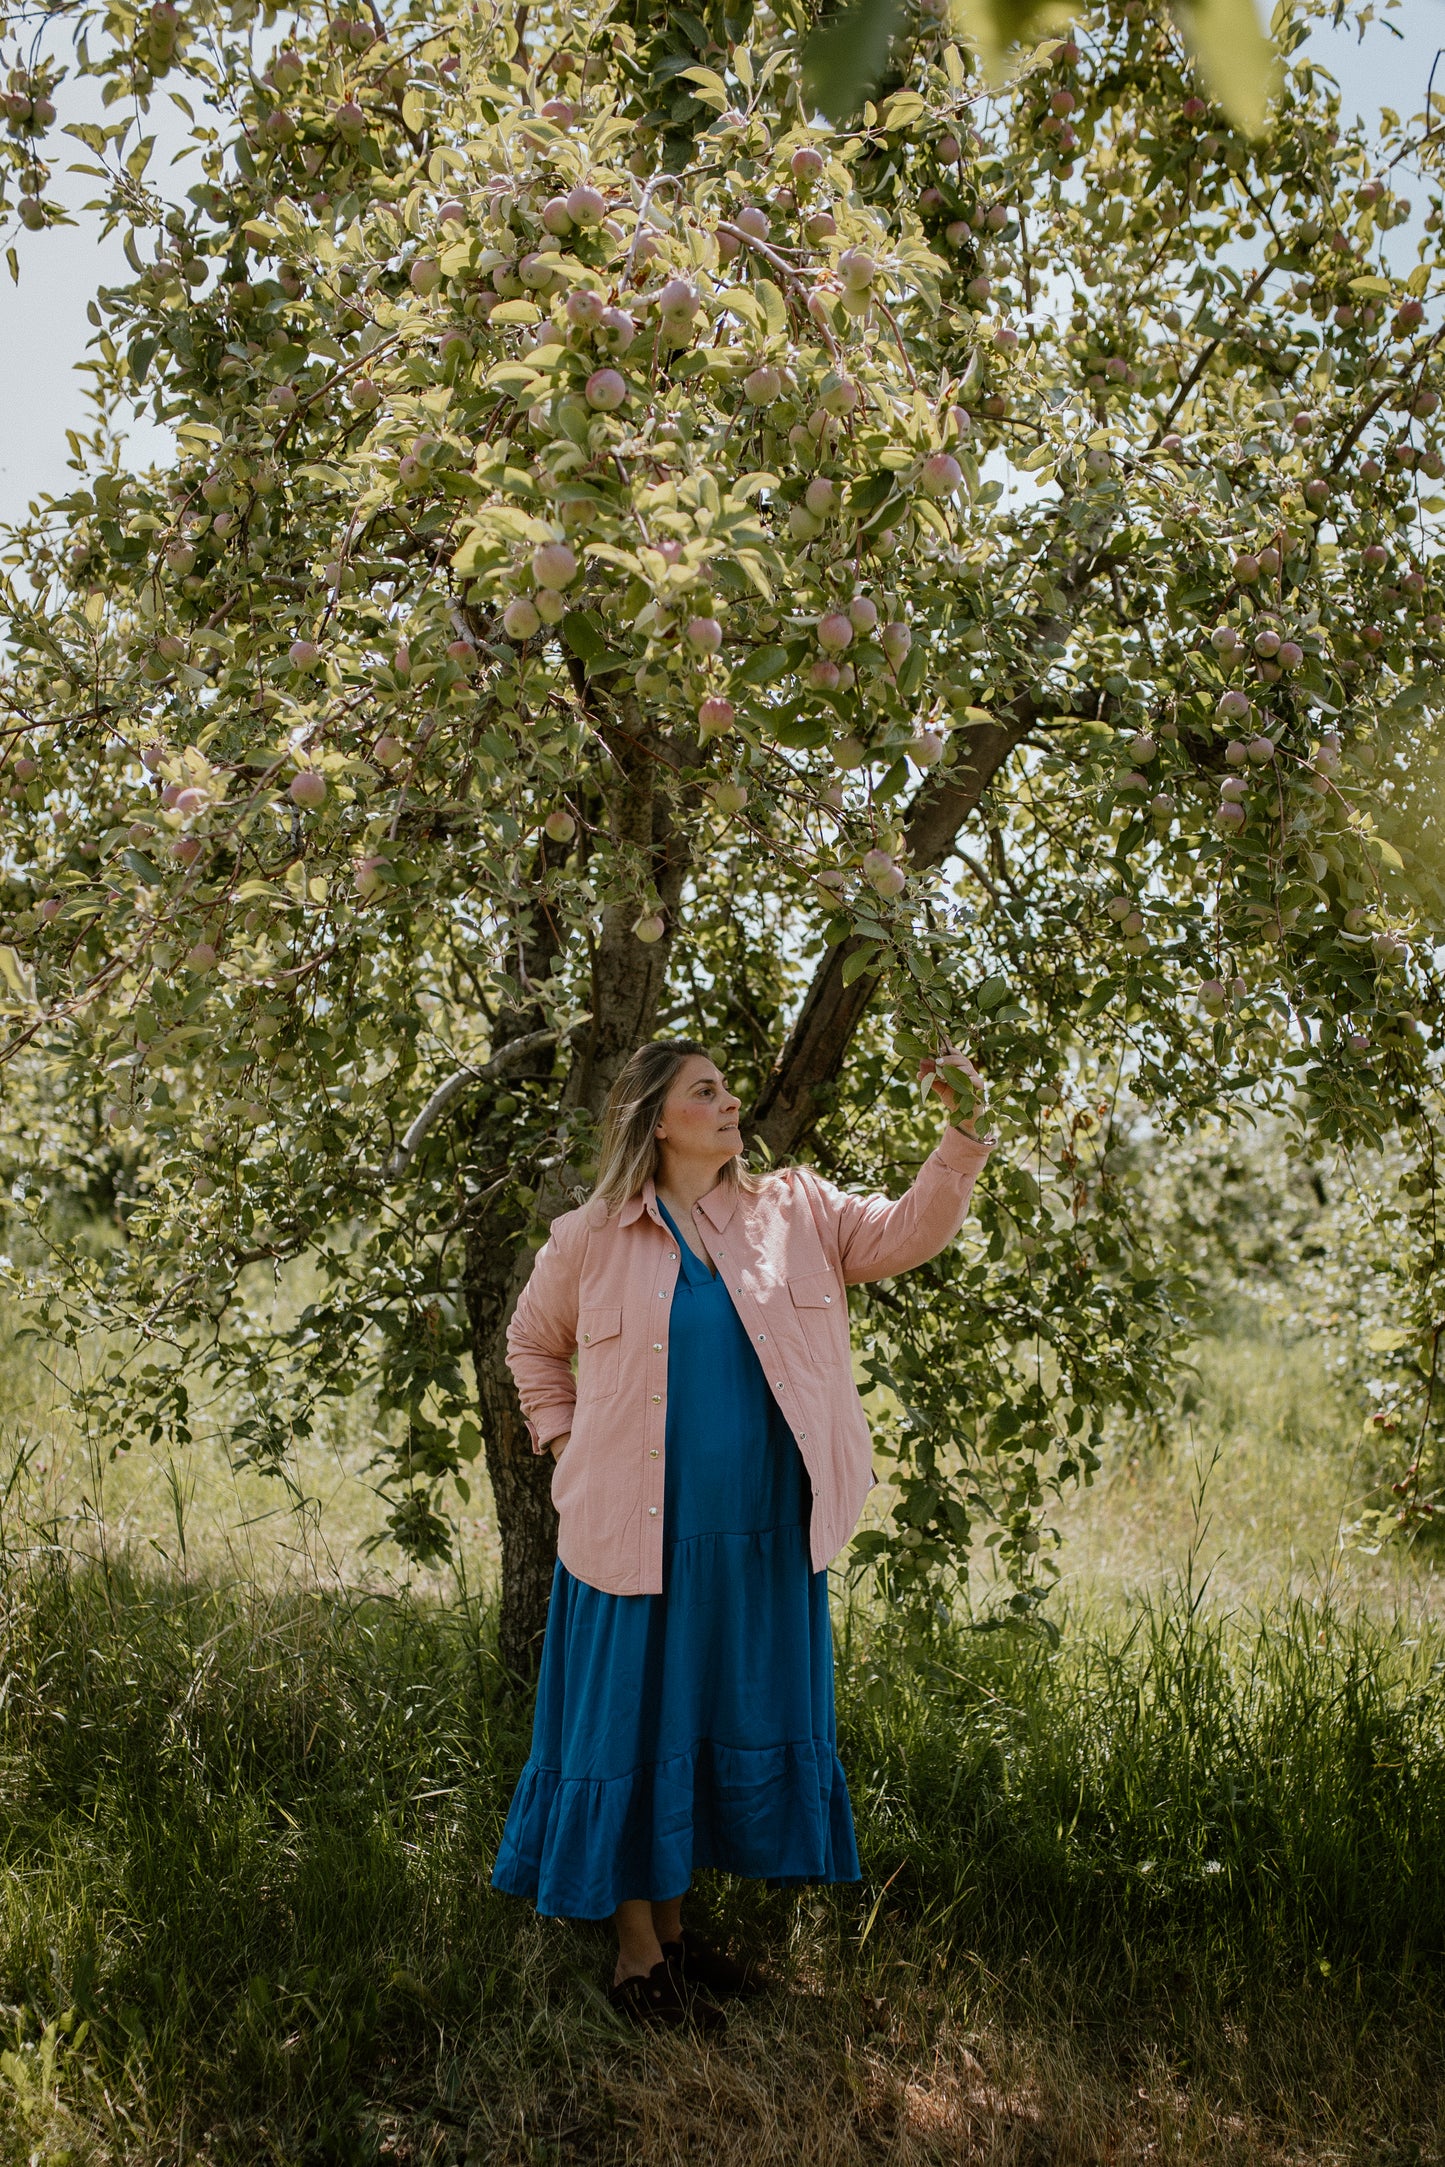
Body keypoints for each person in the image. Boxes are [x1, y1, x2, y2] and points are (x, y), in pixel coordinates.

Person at [491, 1038, 994, 2031]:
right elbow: (529, 1345)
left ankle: (673, 1940)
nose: (729, 1103)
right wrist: (562, 1443)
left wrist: (965, 1127)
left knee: (689, 1727)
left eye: (726, 1088)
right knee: (631, 1732)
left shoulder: (791, 1212)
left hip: (757, 1537)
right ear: (654, 1118)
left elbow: (906, 1231)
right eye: (704, 1091)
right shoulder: (590, 1236)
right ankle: (638, 1963)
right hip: (631, 1538)